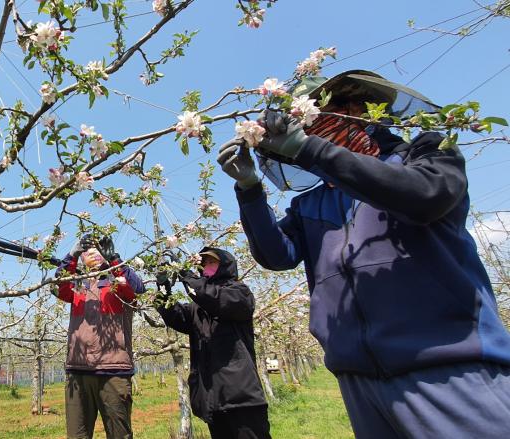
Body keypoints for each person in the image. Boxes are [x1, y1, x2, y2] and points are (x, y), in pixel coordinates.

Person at [216, 69, 510, 438]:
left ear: (358, 110)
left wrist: (311, 150)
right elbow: (277, 255)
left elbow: (425, 198)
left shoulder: (425, 157)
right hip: (358, 378)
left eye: (325, 115)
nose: (317, 130)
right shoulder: (312, 202)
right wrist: (250, 189)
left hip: (448, 365)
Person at [155, 247, 270, 439]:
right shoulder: (198, 308)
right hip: (213, 400)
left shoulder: (240, 294)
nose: (206, 267)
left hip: (241, 398)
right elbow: (174, 316)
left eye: (212, 263)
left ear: (225, 266)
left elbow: (215, 298)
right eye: (204, 264)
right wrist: (162, 289)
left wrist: (186, 275)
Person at [54, 234, 145, 439]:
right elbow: (58, 286)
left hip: (113, 371)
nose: (92, 253)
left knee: (119, 434)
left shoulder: (117, 280)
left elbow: (138, 289)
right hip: (78, 371)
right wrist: (71, 256)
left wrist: (114, 259)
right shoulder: (77, 284)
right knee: (77, 435)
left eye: (98, 249)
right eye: (86, 250)